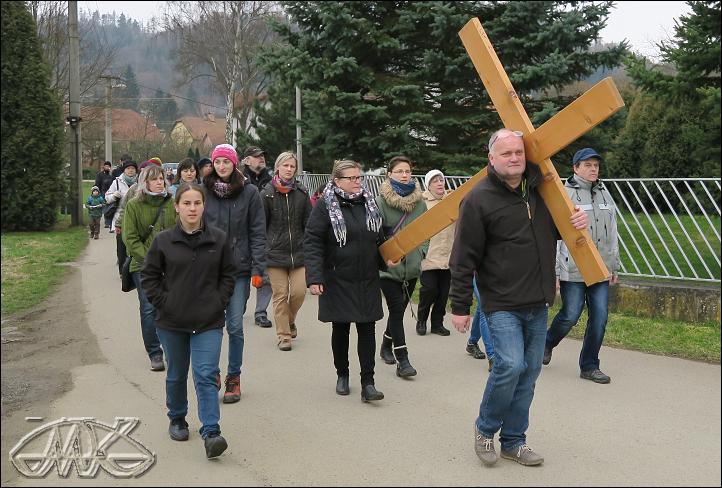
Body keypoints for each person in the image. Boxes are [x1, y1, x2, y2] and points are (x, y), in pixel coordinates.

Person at [449, 128, 589, 467]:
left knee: (528, 374)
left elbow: (553, 230)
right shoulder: (478, 198)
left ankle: (514, 441)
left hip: (537, 301)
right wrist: (459, 305)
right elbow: (463, 256)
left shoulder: (540, 191)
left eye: (519, 153)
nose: (514, 158)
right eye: (506, 153)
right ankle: (485, 431)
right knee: (510, 365)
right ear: (491, 159)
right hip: (500, 302)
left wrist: (576, 221)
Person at [142, 182, 237, 459]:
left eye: (197, 203)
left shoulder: (218, 240)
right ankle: (177, 417)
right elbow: (149, 277)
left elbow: (229, 275)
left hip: (208, 321)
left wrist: (219, 301)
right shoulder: (163, 241)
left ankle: (211, 431)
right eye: (187, 203)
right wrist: (164, 302)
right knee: (176, 373)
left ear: (203, 206)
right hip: (172, 322)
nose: (192, 208)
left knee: (206, 373)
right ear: (177, 207)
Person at [304, 159, 386, 401]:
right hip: (337, 276)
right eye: (351, 178)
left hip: (366, 277)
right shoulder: (325, 205)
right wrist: (315, 277)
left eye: (359, 177)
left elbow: (379, 238)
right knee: (341, 328)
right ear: (337, 181)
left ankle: (368, 383)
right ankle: (342, 374)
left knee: (367, 328)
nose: (357, 182)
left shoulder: (369, 204)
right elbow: (312, 241)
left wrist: (387, 259)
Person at [543, 148, 620, 384]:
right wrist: (555, 271)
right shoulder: (564, 195)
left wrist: (613, 265)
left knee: (600, 317)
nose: (593, 169)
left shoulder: (605, 193)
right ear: (575, 168)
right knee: (570, 314)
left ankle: (589, 365)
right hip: (573, 269)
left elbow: (613, 232)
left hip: (600, 269)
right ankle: (546, 343)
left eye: (596, 165)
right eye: (587, 165)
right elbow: (555, 237)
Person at [203, 143, 266, 404]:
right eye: (217, 162)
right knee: (211, 324)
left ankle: (234, 377)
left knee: (236, 325)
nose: (221, 166)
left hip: (239, 269)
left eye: (226, 162)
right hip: (209, 269)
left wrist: (258, 267)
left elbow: (258, 231)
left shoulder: (250, 192)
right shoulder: (203, 191)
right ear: (213, 165)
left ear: (235, 163)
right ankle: (213, 373)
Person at [376, 156, 428, 378]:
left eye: (407, 171)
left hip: (412, 266)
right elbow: (375, 235)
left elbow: (426, 232)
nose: (405, 175)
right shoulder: (380, 202)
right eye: (399, 171)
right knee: (397, 309)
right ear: (389, 174)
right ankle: (403, 360)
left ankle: (386, 345)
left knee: (399, 310)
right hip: (387, 269)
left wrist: (421, 252)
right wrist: (384, 257)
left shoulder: (420, 203)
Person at [123, 164, 177, 372]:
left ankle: (172, 347)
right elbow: (130, 238)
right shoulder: (134, 205)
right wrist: (150, 261)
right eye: (154, 179)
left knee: (170, 307)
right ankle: (155, 352)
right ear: (145, 182)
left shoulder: (171, 203)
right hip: (143, 265)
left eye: (162, 179)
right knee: (149, 307)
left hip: (171, 265)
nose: (159, 182)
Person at [260, 152, 312, 351]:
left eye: (292, 166)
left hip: (299, 253)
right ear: (278, 167)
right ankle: (284, 336)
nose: (289, 169)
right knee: (280, 295)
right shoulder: (267, 194)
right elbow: (260, 225)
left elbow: (309, 223)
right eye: (286, 166)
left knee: (299, 292)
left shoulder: (302, 193)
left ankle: (289, 321)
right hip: (275, 254)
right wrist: (264, 248)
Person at [416, 169, 453, 337]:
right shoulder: (421, 203)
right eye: (435, 181)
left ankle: (437, 324)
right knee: (429, 290)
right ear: (428, 185)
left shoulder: (452, 200)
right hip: (429, 256)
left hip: (448, 256)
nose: (439, 183)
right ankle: (421, 320)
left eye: (441, 180)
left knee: (444, 293)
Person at [241, 146, 274, 329]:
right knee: (243, 274)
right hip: (242, 234)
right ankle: (239, 303)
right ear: (247, 161)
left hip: (265, 234)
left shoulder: (270, 181)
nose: (261, 159)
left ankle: (261, 312)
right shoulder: (239, 181)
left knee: (265, 274)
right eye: (256, 156)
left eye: (262, 156)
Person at [106, 159, 138, 276]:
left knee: (133, 243)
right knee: (121, 245)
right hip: (120, 217)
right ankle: (122, 271)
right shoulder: (117, 182)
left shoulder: (140, 183)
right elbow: (107, 198)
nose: (130, 171)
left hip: (135, 218)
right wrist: (114, 195)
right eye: (128, 169)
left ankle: (133, 268)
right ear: (124, 170)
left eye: (133, 169)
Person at [467, 275, 495, 372]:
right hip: (478, 272)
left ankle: (472, 343)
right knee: (485, 308)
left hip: (496, 274)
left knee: (481, 308)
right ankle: (492, 356)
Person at [95, 161, 115, 228]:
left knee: (108, 207)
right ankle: (97, 221)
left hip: (109, 193)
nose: (107, 167)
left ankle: (107, 222)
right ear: (104, 167)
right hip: (102, 193)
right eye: (106, 166)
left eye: (108, 166)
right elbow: (97, 184)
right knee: (102, 208)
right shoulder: (99, 175)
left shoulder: (111, 176)